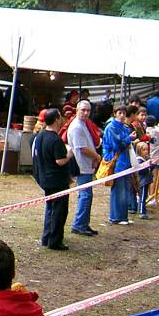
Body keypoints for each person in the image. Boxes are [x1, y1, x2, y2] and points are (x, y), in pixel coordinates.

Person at [32, 109, 74, 250]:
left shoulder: (40, 135)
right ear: (56, 119)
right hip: (57, 181)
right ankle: (55, 241)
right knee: (59, 212)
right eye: (60, 117)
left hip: (45, 178)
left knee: (50, 209)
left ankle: (46, 237)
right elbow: (60, 161)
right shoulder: (55, 139)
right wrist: (69, 154)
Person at [66, 100, 101, 237]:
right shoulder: (76, 127)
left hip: (87, 165)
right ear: (77, 110)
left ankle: (84, 223)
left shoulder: (84, 124)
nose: (86, 113)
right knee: (85, 196)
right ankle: (79, 225)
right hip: (82, 166)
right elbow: (83, 149)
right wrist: (97, 156)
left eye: (88, 110)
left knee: (87, 195)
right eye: (83, 110)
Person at [102, 105, 136, 226]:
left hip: (125, 161)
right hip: (116, 162)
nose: (122, 115)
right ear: (115, 114)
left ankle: (123, 216)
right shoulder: (111, 127)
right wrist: (129, 139)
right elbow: (116, 145)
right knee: (118, 190)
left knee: (125, 190)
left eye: (124, 113)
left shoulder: (124, 127)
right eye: (119, 113)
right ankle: (116, 217)